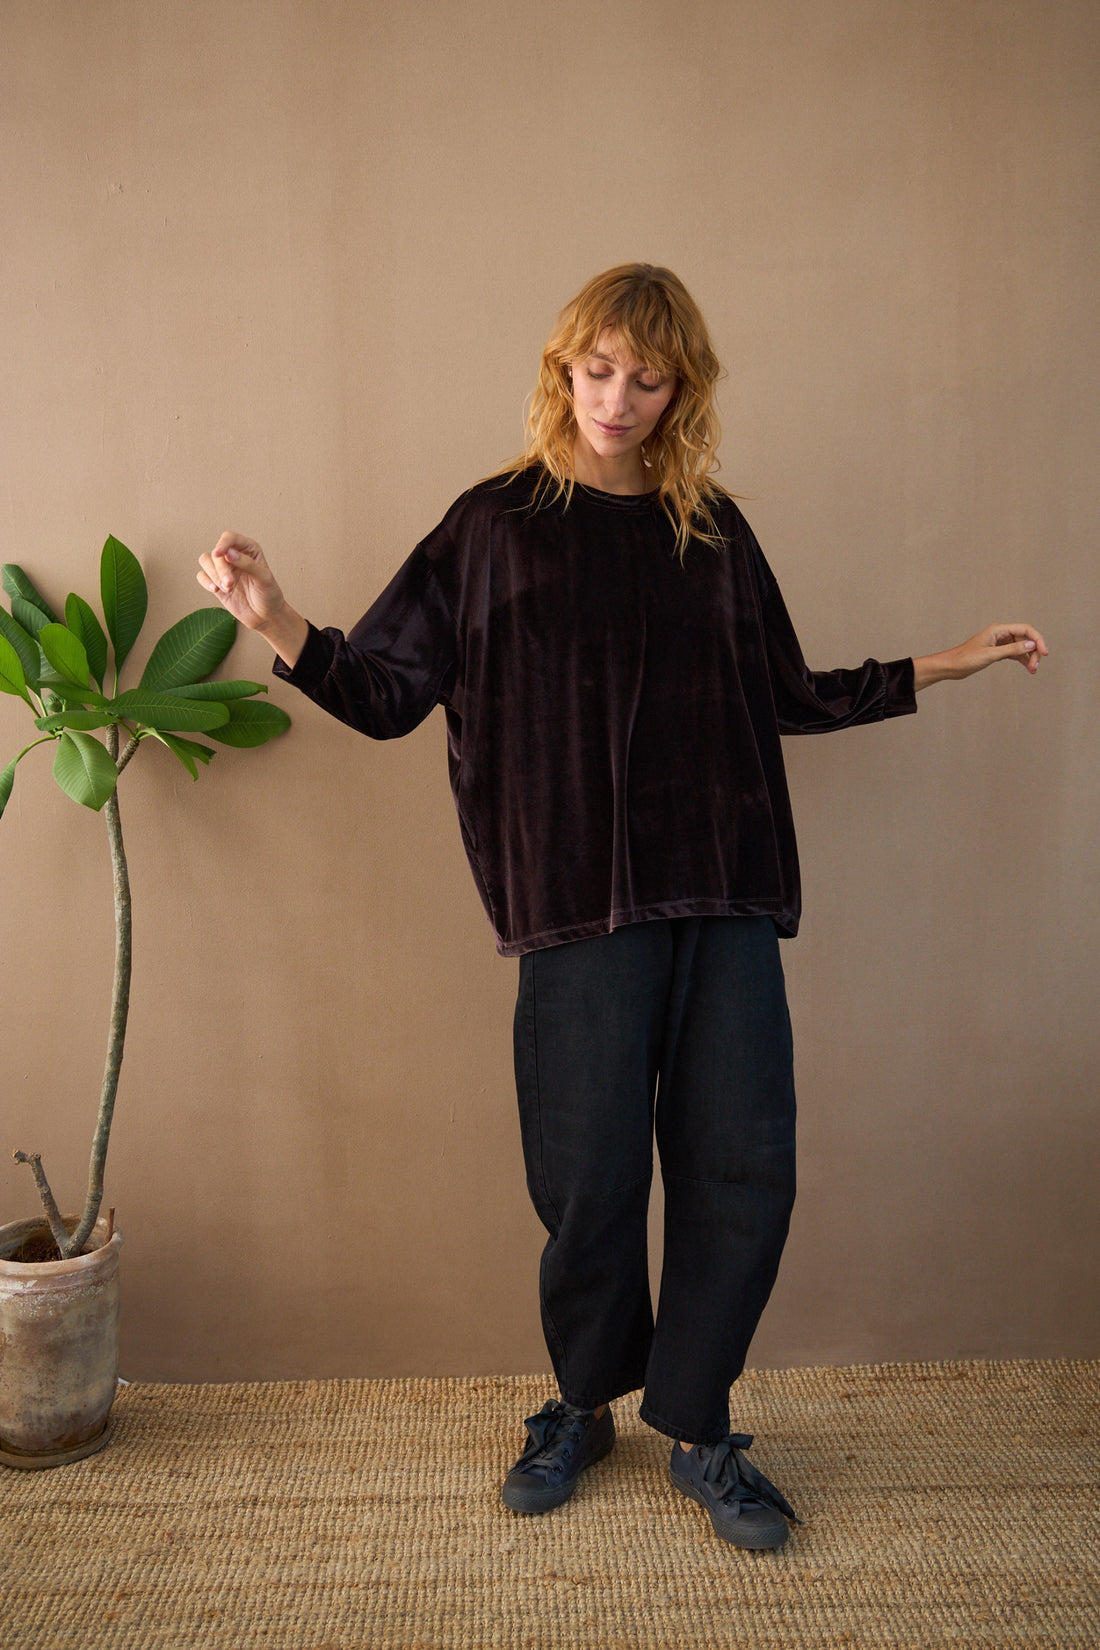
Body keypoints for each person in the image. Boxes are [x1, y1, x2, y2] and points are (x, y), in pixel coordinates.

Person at [197, 263, 1046, 1552]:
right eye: (599, 369)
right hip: (578, 906)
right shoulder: (491, 527)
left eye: (649, 376)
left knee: (743, 1168)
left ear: (681, 387)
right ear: (564, 368)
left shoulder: (712, 532)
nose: (620, 396)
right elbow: (383, 693)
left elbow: (792, 693)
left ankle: (700, 1428)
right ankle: (584, 1401)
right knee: (588, 1181)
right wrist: (275, 616)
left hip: (725, 891)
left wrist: (949, 660)